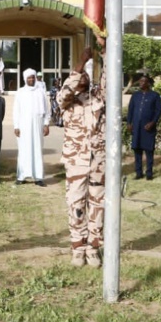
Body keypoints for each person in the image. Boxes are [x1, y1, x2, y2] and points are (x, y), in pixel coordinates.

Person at [57, 44, 107, 268]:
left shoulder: (99, 99)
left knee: (98, 204)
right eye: (80, 76)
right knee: (76, 204)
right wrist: (79, 63)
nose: (84, 78)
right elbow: (66, 91)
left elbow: (110, 80)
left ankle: (93, 247)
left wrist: (105, 51)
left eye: (86, 75)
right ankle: (78, 247)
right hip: (76, 161)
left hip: (98, 161)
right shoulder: (66, 102)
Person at [13, 68, 49, 186]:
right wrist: (16, 126)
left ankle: (38, 177)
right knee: (23, 149)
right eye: (29, 77)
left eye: (33, 77)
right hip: (24, 126)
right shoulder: (20, 92)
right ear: (25, 79)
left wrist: (46, 124)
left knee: (37, 150)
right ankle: (21, 176)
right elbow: (16, 111)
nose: (31, 79)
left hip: (38, 124)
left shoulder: (41, 92)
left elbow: (46, 110)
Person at [126, 74, 161, 180]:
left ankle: (149, 173)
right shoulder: (135, 95)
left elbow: (158, 111)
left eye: (143, 81)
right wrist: (129, 123)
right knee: (137, 150)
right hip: (136, 127)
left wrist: (152, 123)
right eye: (140, 81)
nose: (141, 83)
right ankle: (138, 173)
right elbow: (130, 110)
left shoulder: (155, 95)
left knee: (149, 150)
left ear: (148, 83)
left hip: (148, 127)